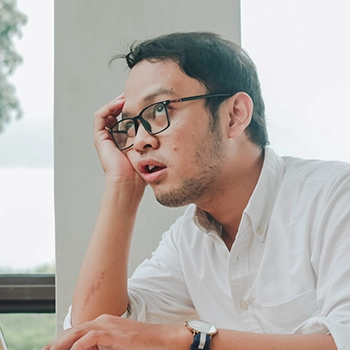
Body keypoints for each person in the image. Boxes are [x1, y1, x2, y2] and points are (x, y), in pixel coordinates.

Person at [43, 32, 350, 349]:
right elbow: (92, 333)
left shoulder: (335, 197)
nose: (138, 141)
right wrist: (121, 187)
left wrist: (190, 340)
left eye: (160, 110)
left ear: (235, 115)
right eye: (130, 124)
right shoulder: (188, 240)